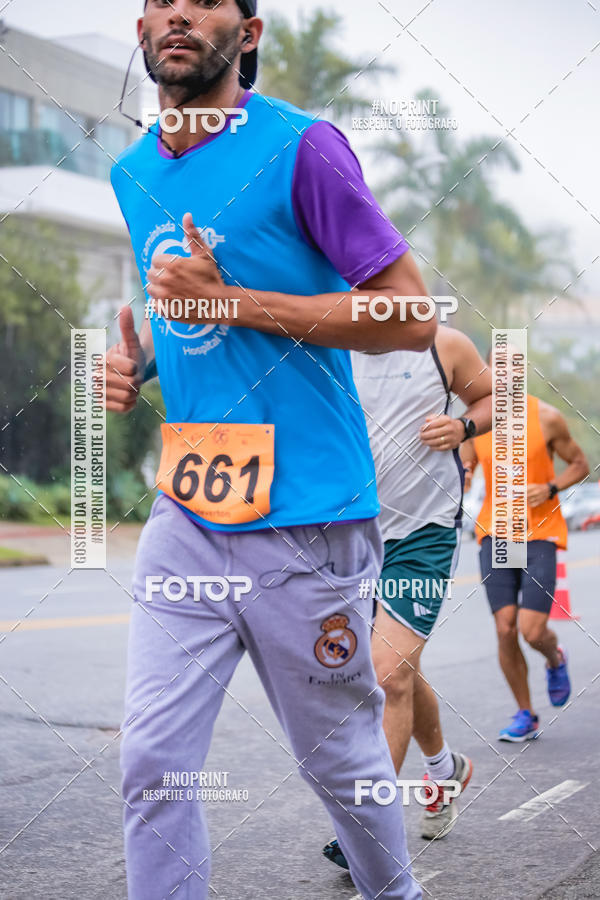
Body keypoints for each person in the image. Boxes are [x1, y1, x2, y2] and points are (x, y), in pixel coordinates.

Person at [106, 1, 437, 897]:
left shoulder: (303, 146)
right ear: (141, 28)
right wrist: (134, 358)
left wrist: (235, 302)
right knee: (152, 762)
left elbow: (408, 315)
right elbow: (170, 298)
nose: (178, 10)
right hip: (189, 508)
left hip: (307, 514)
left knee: (340, 764)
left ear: (246, 34)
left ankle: (393, 891)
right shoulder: (132, 171)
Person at [322, 327, 491, 871]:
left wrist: (464, 425)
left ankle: (369, 829)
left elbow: (496, 399)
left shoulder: (445, 347)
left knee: (388, 673)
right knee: (399, 666)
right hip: (352, 532)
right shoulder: (328, 343)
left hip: (424, 531)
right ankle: (443, 770)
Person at [461, 394, 589, 742]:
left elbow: (580, 464)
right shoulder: (477, 423)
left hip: (541, 533)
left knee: (532, 631)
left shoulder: (547, 418)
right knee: (505, 628)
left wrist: (550, 487)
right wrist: (465, 475)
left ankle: (554, 657)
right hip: (496, 533)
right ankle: (525, 714)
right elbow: (465, 464)